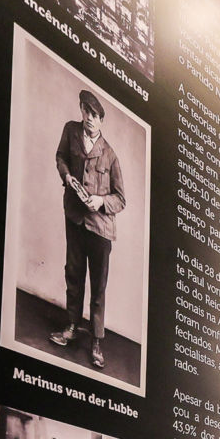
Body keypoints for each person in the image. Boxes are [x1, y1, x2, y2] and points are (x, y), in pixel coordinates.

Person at [50, 88, 126, 366]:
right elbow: (60, 157)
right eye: (86, 111)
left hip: (100, 228)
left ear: (102, 120)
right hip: (75, 218)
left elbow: (121, 199)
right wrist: (67, 175)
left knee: (98, 286)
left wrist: (100, 200)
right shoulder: (70, 131)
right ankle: (70, 326)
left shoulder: (111, 155)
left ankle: (96, 341)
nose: (90, 118)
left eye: (95, 115)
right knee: (73, 273)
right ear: (80, 110)